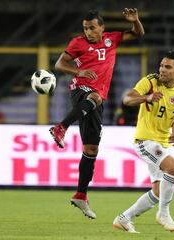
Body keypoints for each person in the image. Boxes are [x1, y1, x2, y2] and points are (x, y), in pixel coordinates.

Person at [49, 9, 144, 219]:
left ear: (102, 27)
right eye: (85, 28)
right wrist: (78, 72)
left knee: (91, 149)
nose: (89, 32)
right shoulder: (78, 43)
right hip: (81, 90)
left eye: (92, 28)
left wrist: (136, 20)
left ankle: (81, 194)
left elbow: (138, 34)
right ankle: (60, 127)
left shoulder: (112, 39)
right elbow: (59, 64)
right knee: (95, 97)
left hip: (95, 100)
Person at [112, 50, 174, 233]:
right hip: (145, 140)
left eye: (168, 67)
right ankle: (163, 214)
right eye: (162, 65)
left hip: (162, 143)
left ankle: (124, 218)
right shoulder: (149, 81)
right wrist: (146, 98)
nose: (162, 70)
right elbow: (127, 99)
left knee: (157, 192)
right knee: (173, 168)